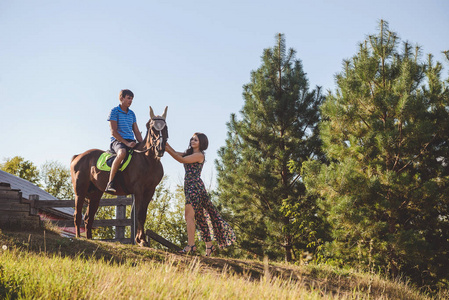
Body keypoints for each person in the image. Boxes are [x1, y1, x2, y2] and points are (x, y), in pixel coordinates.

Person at [165, 133, 236, 256]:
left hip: (194, 188)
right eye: (192, 138)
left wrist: (165, 148)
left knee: (188, 217)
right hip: (190, 187)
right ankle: (209, 246)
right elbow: (176, 153)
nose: (192, 141)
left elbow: (180, 159)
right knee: (200, 218)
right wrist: (164, 144)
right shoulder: (190, 153)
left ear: (201, 143)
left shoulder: (199, 155)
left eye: (196, 140)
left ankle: (191, 246)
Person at [105, 89, 143, 193]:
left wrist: (143, 144)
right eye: (128, 98)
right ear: (121, 98)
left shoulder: (132, 114)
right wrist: (126, 143)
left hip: (131, 141)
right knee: (122, 153)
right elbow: (113, 132)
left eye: (132, 99)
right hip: (117, 142)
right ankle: (110, 183)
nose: (130, 101)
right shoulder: (114, 111)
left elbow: (136, 131)